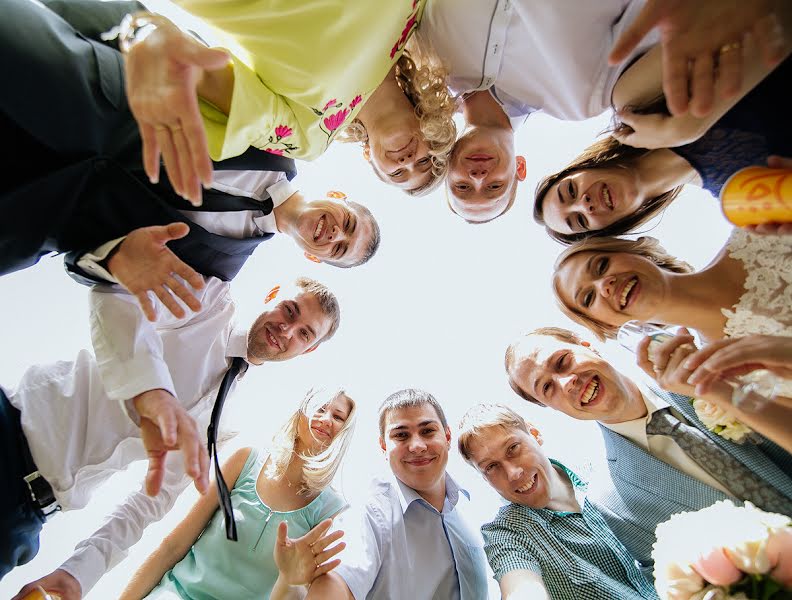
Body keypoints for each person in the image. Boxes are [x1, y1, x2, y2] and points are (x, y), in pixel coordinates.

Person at [6, 277, 340, 598]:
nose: (287, 330)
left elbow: (151, 502)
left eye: (304, 334)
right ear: (272, 294)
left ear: (307, 351)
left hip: (29, 515)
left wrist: (79, 571)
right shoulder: (207, 304)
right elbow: (117, 295)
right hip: (13, 427)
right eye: (290, 310)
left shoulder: (224, 425)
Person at [504, 327, 792, 575]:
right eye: (547, 388)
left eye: (562, 362)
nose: (567, 383)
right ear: (549, 407)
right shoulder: (612, 504)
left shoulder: (704, 371)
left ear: (586, 345)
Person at [121, 0, 456, 201]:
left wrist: (162, 48)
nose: (407, 162)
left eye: (397, 174)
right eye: (425, 162)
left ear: (371, 158)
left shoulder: (311, 136)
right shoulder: (414, 17)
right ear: (434, 135)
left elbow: (236, 97)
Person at [420, 0, 660, 223]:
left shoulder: (427, 54)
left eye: (462, 186)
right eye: (495, 186)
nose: (478, 177)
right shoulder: (579, 101)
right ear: (520, 167)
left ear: (446, 165)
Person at [119, 388, 356, 600]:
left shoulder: (331, 512)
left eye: (337, 416)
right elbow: (173, 546)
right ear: (301, 412)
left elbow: (299, 591)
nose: (326, 420)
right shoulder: (246, 461)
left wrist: (289, 578)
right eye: (320, 408)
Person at [533, 54, 792, 243]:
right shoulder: (740, 197)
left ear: (584, 167)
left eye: (570, 191)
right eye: (579, 221)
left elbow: (748, 22)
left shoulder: (635, 101)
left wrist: (688, 126)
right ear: (609, 229)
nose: (584, 204)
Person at [275, 388, 489, 600]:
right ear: (384, 447)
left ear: (448, 436)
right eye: (401, 435)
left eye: (427, 431)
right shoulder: (369, 513)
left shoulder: (472, 511)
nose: (416, 446)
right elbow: (337, 583)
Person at [65, 188, 380, 321]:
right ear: (338, 195)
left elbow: (111, 283)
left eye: (339, 248)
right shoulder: (275, 145)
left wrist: (114, 259)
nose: (337, 233)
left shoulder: (219, 268)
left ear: (314, 258)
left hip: (51, 223)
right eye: (348, 223)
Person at [457, 403, 659, 600]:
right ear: (484, 477)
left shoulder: (604, 473)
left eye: (513, 448)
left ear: (535, 434)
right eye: (491, 467)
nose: (513, 473)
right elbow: (521, 587)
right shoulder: (506, 534)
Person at [551, 232, 792, 348]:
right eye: (589, 297)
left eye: (602, 265)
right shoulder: (720, 374)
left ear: (635, 252)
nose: (604, 284)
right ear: (607, 325)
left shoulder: (759, 233)